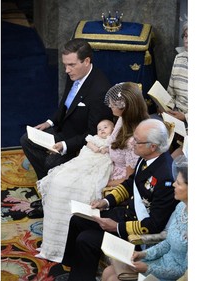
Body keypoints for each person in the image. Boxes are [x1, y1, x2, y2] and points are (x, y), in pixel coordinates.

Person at [35, 82, 150, 263]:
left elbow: (129, 178)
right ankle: (57, 245)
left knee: (68, 187)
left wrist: (105, 182)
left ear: (125, 106)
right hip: (105, 162)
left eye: (113, 103)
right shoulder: (122, 120)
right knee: (59, 179)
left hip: (115, 175)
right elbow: (110, 141)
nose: (110, 106)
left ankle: (66, 247)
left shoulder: (134, 139)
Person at [57, 118, 179, 281]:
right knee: (78, 219)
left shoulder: (165, 177)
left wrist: (117, 227)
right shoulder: (146, 157)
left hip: (137, 235)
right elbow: (130, 184)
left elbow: (154, 224)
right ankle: (75, 270)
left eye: (137, 141)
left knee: (86, 239)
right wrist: (106, 202)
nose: (131, 143)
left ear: (153, 146)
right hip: (127, 215)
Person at [20, 38, 112, 180]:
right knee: (26, 140)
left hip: (78, 142)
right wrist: (49, 123)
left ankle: (50, 186)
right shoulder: (75, 73)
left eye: (71, 65)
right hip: (62, 130)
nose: (67, 70)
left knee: (51, 163)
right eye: (65, 65)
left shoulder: (99, 90)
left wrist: (64, 145)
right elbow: (65, 104)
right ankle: (45, 180)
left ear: (86, 61)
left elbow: (93, 133)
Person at [101, 155, 188, 281]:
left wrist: (147, 268)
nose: (173, 184)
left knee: (113, 279)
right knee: (108, 272)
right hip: (160, 260)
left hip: (173, 275)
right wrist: (143, 254)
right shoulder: (180, 207)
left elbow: (183, 272)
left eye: (178, 183)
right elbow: (168, 242)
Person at [166, 21, 188, 123]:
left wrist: (185, 117)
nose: (186, 40)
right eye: (185, 36)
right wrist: (166, 107)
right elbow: (171, 92)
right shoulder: (179, 58)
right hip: (175, 115)